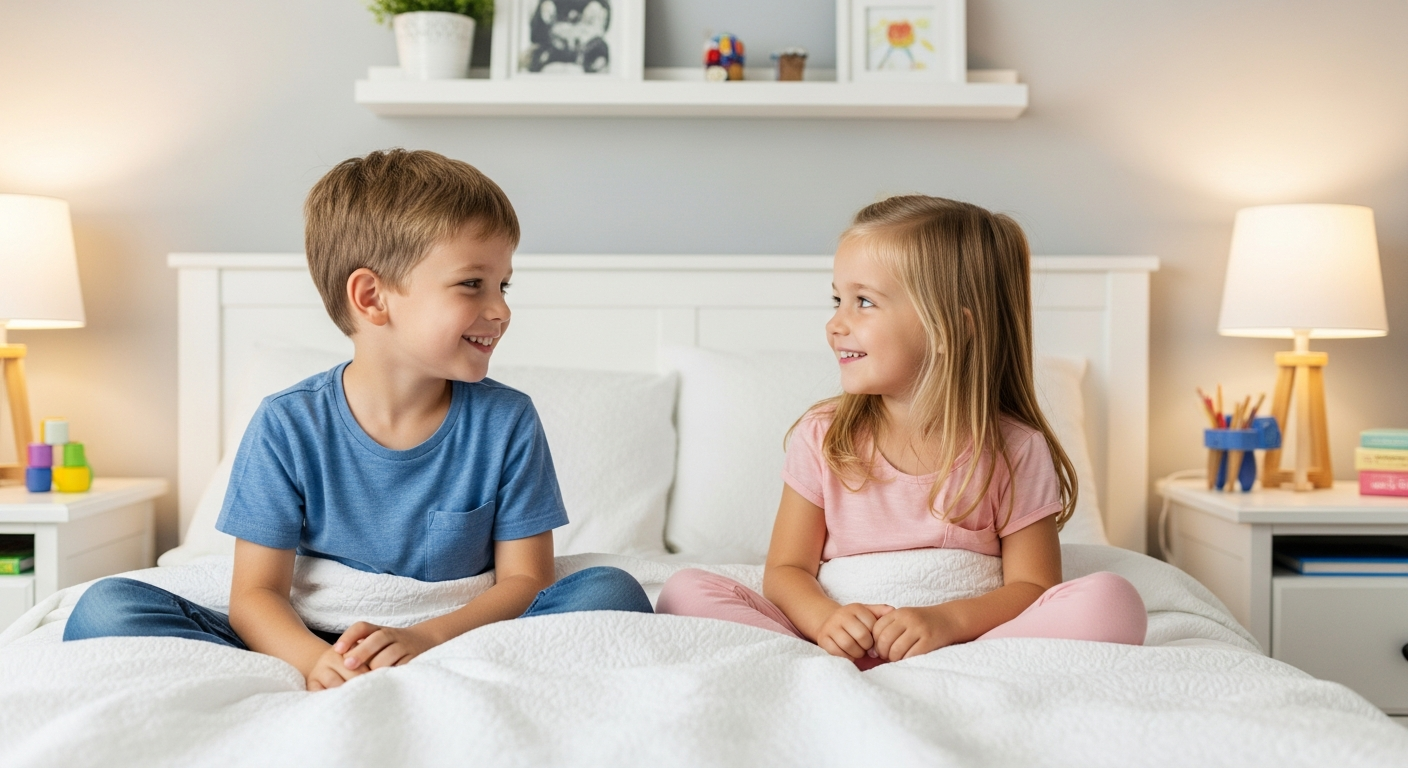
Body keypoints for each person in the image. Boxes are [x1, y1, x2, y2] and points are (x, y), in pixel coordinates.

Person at [65, 149, 652, 689]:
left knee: (612, 592)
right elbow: (256, 594)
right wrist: (313, 662)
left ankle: (439, 666)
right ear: (372, 298)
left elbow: (526, 583)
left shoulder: (507, 420)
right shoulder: (287, 425)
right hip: (310, 634)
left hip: (451, 633)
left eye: (503, 284)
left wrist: (424, 639)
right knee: (104, 607)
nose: (500, 309)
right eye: (472, 284)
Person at [657, 196, 1146, 669]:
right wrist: (825, 619)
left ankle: (949, 664)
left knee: (1111, 600)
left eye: (863, 302)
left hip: (963, 644)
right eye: (837, 299)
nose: (834, 324)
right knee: (683, 591)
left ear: (951, 327)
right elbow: (786, 571)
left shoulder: (1015, 449)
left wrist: (946, 621)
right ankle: (810, 662)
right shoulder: (824, 437)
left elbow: (1033, 588)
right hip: (837, 641)